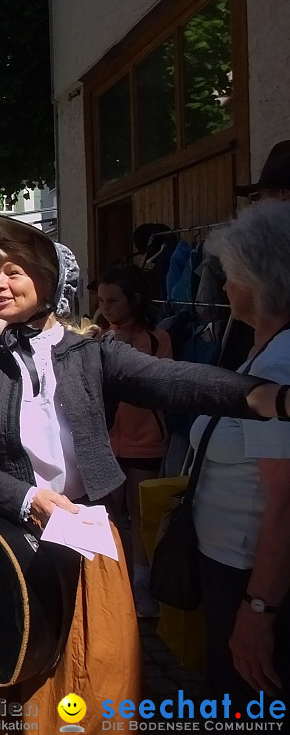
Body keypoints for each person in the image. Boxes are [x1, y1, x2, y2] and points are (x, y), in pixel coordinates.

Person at [0, 215, 290, 732]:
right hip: (8, 543)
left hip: (85, 546)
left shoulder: (94, 355)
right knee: (6, 684)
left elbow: (173, 381)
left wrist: (265, 397)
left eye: (13, 272)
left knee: (92, 680)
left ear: (49, 280)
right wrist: (25, 498)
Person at [190, 200, 290, 706]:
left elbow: (287, 502)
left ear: (258, 279)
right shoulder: (261, 351)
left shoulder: (282, 364)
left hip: (251, 575)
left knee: (249, 705)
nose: (224, 287)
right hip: (231, 566)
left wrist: (258, 609)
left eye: (230, 275)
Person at [95, 264, 173, 617]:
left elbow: (164, 386)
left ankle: (143, 583)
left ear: (134, 300)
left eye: (113, 300)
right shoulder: (96, 336)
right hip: (106, 441)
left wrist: (129, 355)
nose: (106, 307)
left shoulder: (157, 338)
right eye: (101, 300)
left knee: (141, 513)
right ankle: (112, 579)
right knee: (105, 514)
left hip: (145, 439)